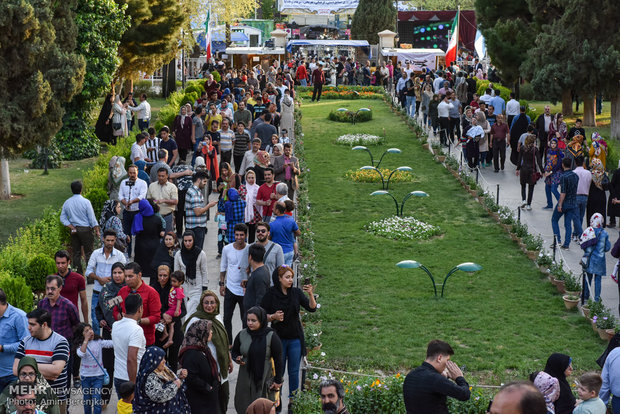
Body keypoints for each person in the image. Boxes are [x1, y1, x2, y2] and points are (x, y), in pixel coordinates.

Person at [261, 265, 316, 405]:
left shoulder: (296, 293)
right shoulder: (271, 294)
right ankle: (275, 401)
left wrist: (310, 294)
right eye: (287, 277)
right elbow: (260, 315)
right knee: (277, 372)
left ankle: (293, 402)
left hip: (295, 338)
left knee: (293, 372)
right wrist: (272, 317)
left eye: (291, 277)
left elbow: (312, 308)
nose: (290, 280)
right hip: (278, 338)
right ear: (279, 279)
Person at [183, 291, 232, 414]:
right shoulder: (195, 319)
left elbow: (224, 340)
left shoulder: (217, 317)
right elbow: (188, 340)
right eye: (206, 303)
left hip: (221, 366)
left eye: (212, 303)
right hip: (206, 369)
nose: (209, 306)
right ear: (201, 304)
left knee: (223, 398)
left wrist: (229, 358)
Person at [14, 309, 70, 413]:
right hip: (30, 401)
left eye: (32, 324)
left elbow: (55, 371)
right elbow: (15, 370)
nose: (28, 328)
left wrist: (27, 367)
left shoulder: (60, 342)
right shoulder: (25, 342)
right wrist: (47, 370)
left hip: (55, 398)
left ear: (44, 325)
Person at [231, 306, 283, 413]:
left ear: (261, 320)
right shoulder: (242, 334)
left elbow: (278, 359)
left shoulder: (271, 336)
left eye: (253, 320)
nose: (250, 323)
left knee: (262, 407)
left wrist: (278, 380)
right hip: (245, 377)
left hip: (263, 378)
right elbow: (234, 351)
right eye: (248, 320)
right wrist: (237, 358)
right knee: (244, 404)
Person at [402, 339, 470, 413]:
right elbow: (464, 394)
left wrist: (443, 378)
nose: (447, 365)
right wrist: (459, 377)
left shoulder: (411, 375)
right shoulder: (436, 379)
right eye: (447, 360)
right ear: (439, 358)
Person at [94, 262, 125, 405]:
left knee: (124, 366)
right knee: (108, 366)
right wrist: (101, 319)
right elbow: (100, 308)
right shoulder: (106, 289)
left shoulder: (129, 288)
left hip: (125, 333)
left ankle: (125, 399)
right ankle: (104, 398)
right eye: (115, 273)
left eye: (120, 273)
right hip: (108, 333)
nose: (117, 276)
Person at [86, 230, 126, 334]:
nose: (110, 243)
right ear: (103, 239)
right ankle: (97, 343)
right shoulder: (96, 254)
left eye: (112, 240)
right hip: (98, 292)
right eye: (108, 240)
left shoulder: (120, 256)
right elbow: (88, 271)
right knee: (95, 320)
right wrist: (99, 279)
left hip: (114, 294)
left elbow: (125, 272)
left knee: (112, 319)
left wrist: (110, 279)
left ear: (115, 240)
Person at [114, 262, 162, 346]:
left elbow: (156, 317)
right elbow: (115, 310)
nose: (127, 279)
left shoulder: (152, 293)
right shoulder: (122, 291)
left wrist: (136, 321)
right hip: (125, 339)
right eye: (125, 276)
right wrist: (120, 317)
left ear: (139, 275)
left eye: (130, 276)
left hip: (144, 340)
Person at [178, 319, 220, 413]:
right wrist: (208, 387)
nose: (211, 332)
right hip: (199, 402)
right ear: (201, 333)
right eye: (209, 330)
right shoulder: (191, 353)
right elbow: (191, 377)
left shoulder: (202, 348)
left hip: (207, 398)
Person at [132, 346, 189, 414]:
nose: (164, 361)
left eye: (164, 358)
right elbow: (159, 396)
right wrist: (175, 385)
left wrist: (180, 378)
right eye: (161, 359)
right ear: (154, 360)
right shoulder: (149, 377)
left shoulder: (163, 370)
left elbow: (171, 382)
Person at [60, 180, 99, 275]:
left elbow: (62, 217)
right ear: (81, 189)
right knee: (89, 253)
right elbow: (92, 218)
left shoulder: (67, 202)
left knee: (76, 253)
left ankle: (78, 274)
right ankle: (90, 276)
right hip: (85, 229)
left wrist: (70, 225)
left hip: (74, 229)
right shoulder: (86, 202)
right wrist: (96, 229)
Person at [74, 323, 114, 414]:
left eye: (90, 329)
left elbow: (110, 344)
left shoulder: (98, 341)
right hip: (85, 377)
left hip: (98, 376)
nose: (90, 332)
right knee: (87, 401)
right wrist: (86, 340)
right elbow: (81, 354)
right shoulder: (80, 344)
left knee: (97, 400)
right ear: (82, 334)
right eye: (86, 331)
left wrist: (117, 335)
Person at [220, 224, 249, 342]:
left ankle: (243, 342)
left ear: (246, 235)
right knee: (227, 318)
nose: (239, 237)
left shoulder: (249, 249)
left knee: (245, 319)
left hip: (244, 291)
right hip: (230, 288)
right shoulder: (227, 249)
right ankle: (229, 342)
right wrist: (221, 284)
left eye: (241, 235)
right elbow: (223, 267)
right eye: (237, 235)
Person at [111, 293, 146, 394]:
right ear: (140, 309)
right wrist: (133, 383)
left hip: (118, 376)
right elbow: (131, 358)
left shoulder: (115, 325)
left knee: (123, 408)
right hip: (131, 378)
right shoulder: (137, 330)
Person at [0, 289, 28, 394]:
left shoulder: (19, 316)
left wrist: (3, 348)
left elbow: (26, 343)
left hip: (13, 374)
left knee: (14, 408)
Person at [174, 230, 208, 313]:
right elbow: (176, 272)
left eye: (190, 241)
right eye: (185, 241)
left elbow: (204, 272)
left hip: (197, 287)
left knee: (195, 312)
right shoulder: (178, 254)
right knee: (184, 312)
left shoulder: (201, 254)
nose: (187, 243)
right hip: (183, 288)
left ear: (194, 240)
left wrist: (204, 288)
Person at [579, 213, 611, 302]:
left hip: (590, 259)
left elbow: (584, 245)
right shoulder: (604, 233)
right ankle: (596, 299)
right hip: (600, 260)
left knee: (588, 278)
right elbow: (607, 248)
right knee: (598, 280)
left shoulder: (589, 231)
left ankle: (585, 296)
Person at [132, 199, 165, 280]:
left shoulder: (138, 218)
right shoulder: (157, 219)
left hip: (141, 247)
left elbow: (135, 232)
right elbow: (160, 233)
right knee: (153, 273)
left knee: (140, 271)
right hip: (154, 247)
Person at [185, 171, 218, 250]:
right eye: (204, 181)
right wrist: (209, 206)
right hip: (196, 227)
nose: (205, 184)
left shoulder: (193, 191)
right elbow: (198, 212)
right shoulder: (194, 193)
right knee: (197, 251)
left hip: (195, 226)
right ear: (199, 180)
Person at [119, 164, 148, 252]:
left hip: (137, 211)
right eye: (130, 173)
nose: (132, 175)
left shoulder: (142, 183)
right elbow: (120, 195)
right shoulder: (123, 182)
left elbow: (142, 196)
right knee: (126, 233)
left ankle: (139, 253)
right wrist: (125, 203)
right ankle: (128, 253)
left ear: (137, 172)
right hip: (127, 211)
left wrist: (131, 202)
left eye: (134, 173)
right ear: (128, 173)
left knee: (139, 233)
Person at [54, 250, 88, 323]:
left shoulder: (79, 278)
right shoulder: (52, 279)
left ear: (69, 262)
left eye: (63, 263)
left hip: (73, 317)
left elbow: (84, 301)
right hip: (56, 317)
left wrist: (86, 322)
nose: (60, 266)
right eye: (58, 263)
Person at [552, 158, 579, 249]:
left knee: (554, 220)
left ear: (563, 165)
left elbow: (563, 192)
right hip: (573, 202)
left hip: (565, 202)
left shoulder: (563, 176)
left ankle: (557, 240)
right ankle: (566, 244)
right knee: (568, 224)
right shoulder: (576, 176)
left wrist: (560, 204)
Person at [147, 167, 178, 232]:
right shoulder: (152, 186)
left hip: (168, 216)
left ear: (167, 176)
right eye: (159, 176)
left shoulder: (172, 187)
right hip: (155, 216)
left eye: (163, 176)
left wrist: (164, 200)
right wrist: (155, 202)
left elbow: (175, 201)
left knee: (168, 236)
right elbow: (148, 200)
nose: (161, 178)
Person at [243, 244, 270, 311]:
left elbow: (260, 299)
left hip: (254, 317)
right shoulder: (262, 270)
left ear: (250, 257)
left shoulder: (259, 275)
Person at [239, 169, 262, 243]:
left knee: (252, 231)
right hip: (244, 212)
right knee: (244, 230)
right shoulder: (242, 187)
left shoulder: (257, 188)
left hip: (255, 212)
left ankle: (251, 246)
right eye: (249, 178)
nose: (251, 180)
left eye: (252, 178)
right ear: (246, 178)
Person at [587, 158, 608, 227]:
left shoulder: (590, 174)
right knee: (601, 213)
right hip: (601, 197)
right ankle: (600, 227)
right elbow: (609, 186)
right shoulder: (604, 174)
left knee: (591, 214)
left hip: (592, 197)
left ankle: (591, 228)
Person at [543, 138, 564, 209]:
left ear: (557, 144)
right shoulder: (548, 151)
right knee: (547, 188)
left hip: (556, 172)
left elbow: (559, 164)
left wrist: (551, 172)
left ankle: (561, 204)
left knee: (554, 189)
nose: (553, 145)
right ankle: (549, 204)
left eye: (554, 143)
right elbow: (547, 161)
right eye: (552, 143)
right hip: (548, 172)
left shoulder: (559, 152)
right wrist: (545, 170)